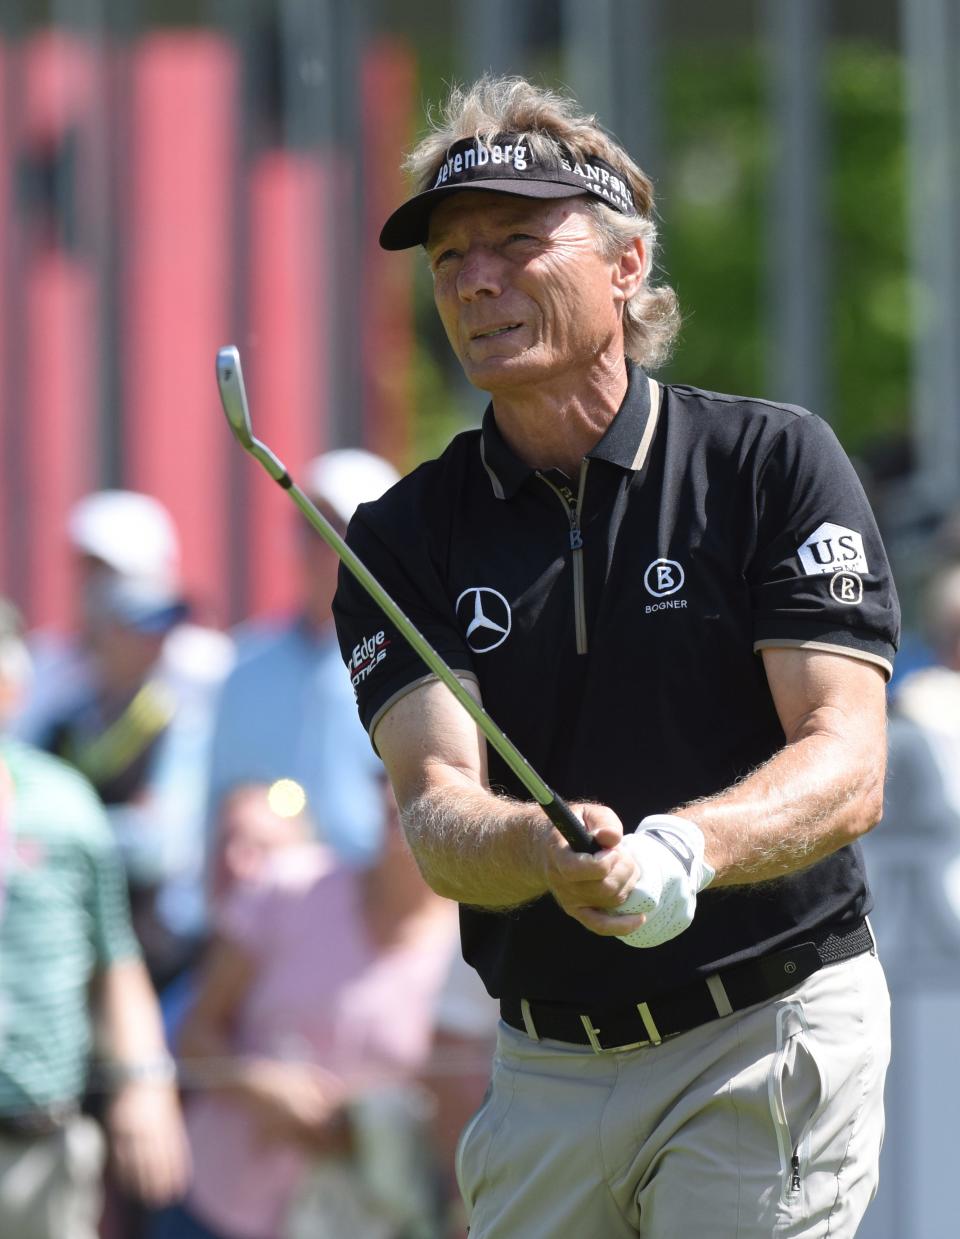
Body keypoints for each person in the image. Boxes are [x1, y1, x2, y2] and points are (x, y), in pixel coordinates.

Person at [332, 75, 901, 1239]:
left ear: (627, 266)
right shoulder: (401, 535)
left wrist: (683, 849)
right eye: (449, 259)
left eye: (516, 242)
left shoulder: (769, 465)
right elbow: (438, 810)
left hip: (766, 1030)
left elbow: (847, 760)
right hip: (545, 1064)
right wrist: (542, 850)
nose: (476, 279)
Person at [151, 781, 458, 1239]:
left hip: (360, 1219)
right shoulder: (290, 885)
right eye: (403, 777)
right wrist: (255, 1084)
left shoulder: (467, 958)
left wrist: (365, 1127)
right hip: (213, 1205)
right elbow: (194, 1033)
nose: (414, 801)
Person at [0, 599, 190, 1239]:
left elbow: (114, 956)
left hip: (40, 1146)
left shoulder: (62, 803)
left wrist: (144, 1079)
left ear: (12, 685)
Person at [12, 490, 233, 985]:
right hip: (64, 927)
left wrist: (53, 837)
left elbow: (162, 843)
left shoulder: (209, 672)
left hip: (170, 937)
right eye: (90, 569)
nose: (99, 587)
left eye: (114, 571)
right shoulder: (48, 671)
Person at [206, 450, 399, 867]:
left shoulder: (419, 664)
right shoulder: (246, 664)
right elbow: (217, 805)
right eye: (312, 524)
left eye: (340, 527)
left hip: (383, 909)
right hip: (267, 911)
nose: (322, 542)